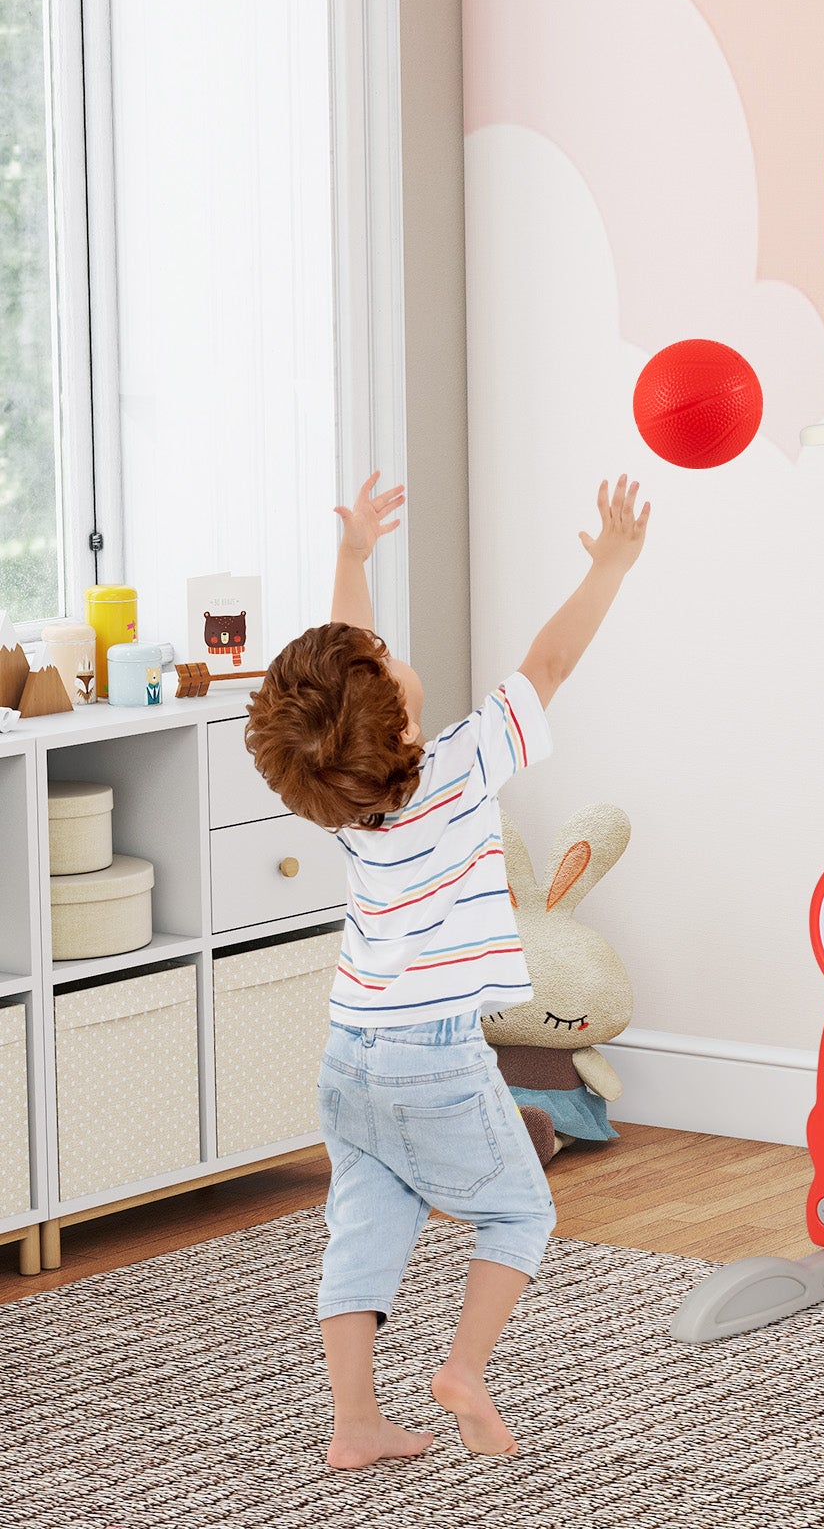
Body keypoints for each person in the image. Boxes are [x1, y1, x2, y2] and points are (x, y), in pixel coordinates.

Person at [245, 471, 649, 1468]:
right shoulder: (464, 765)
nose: (385, 646)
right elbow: (548, 662)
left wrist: (353, 559)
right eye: (385, 657)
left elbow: (344, 688)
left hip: (348, 1056)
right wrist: (610, 564)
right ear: (406, 724)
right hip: (431, 1055)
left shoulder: (345, 801)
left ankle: (354, 1424)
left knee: (364, 1223)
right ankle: (464, 1368)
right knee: (519, 1207)